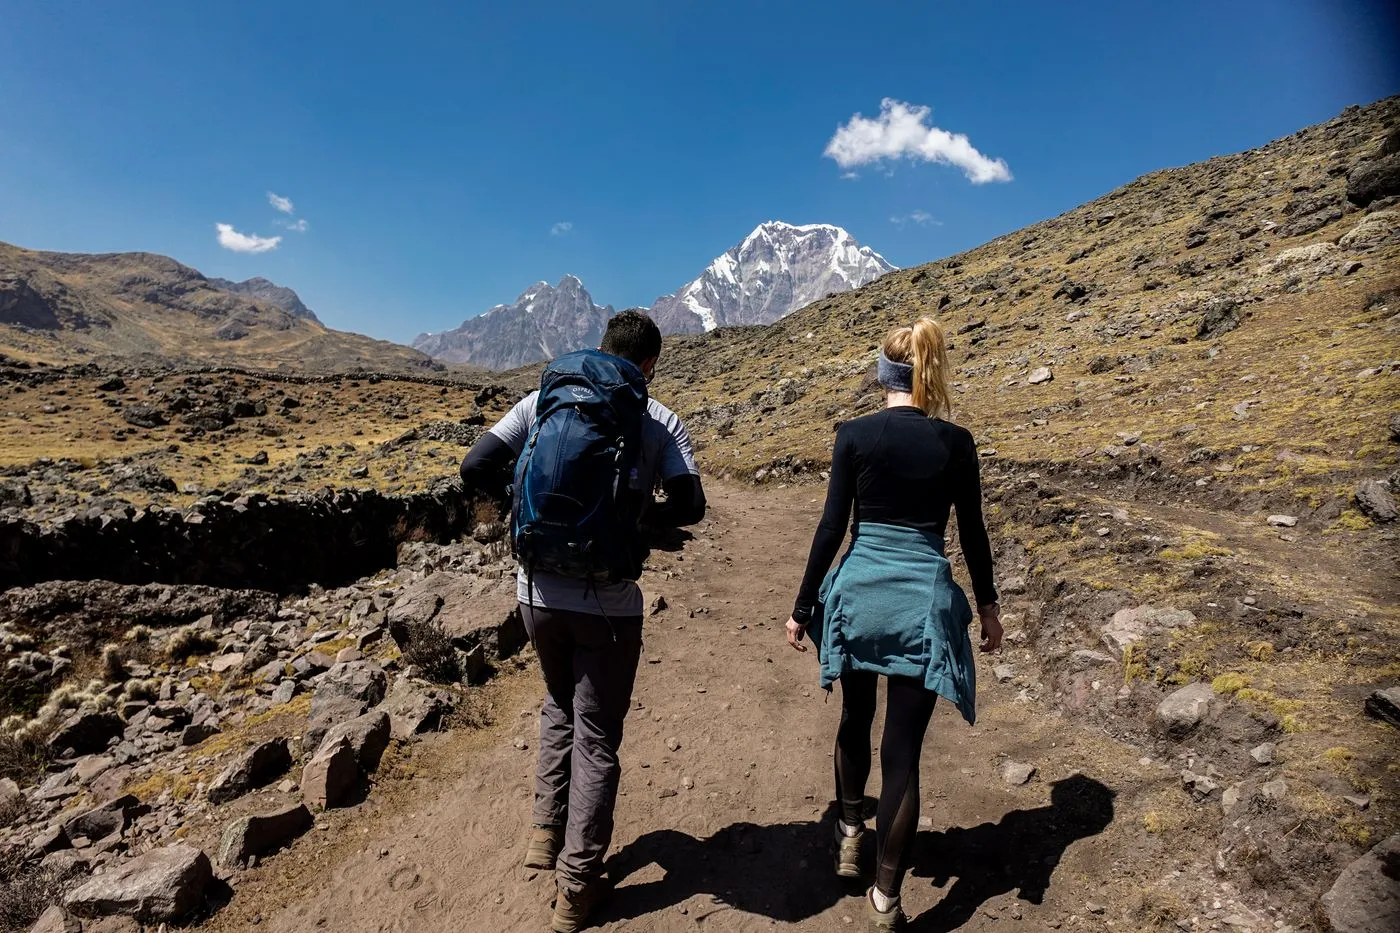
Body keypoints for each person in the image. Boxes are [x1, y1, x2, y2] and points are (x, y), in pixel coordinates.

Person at [459, 310, 705, 933]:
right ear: (648, 364)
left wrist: (520, 506)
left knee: (557, 706)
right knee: (597, 734)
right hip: (608, 603)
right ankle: (577, 885)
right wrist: (637, 523)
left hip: (535, 593)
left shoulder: (542, 399)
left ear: (600, 348)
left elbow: (474, 466)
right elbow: (692, 504)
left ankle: (544, 835)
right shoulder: (657, 419)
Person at [784, 316, 1002, 930]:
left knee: (855, 717)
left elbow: (832, 528)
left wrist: (803, 607)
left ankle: (850, 832)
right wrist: (986, 607)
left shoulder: (853, 435)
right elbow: (973, 532)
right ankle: (887, 897)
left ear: (883, 373)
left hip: (858, 595)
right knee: (903, 748)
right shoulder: (956, 442)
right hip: (921, 600)